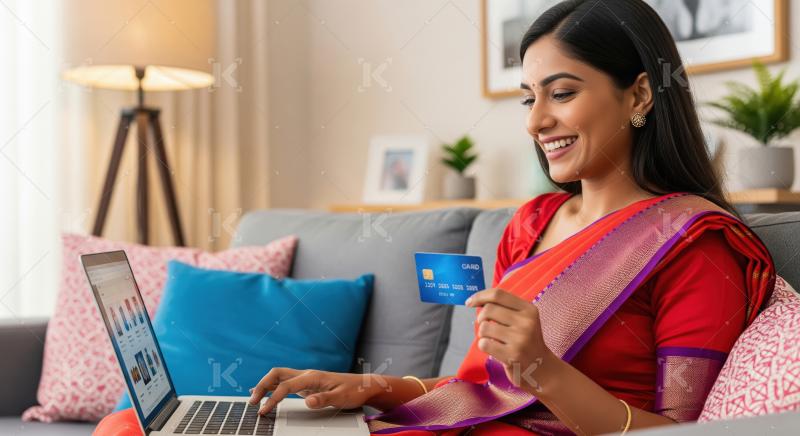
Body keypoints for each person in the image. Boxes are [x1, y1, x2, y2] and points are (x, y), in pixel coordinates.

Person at [95, 1, 775, 434]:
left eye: (561, 93)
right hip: (458, 426)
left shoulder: (696, 247)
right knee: (129, 425)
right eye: (527, 98)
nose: (537, 121)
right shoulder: (532, 221)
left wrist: (544, 370)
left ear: (640, 94)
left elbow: (679, 431)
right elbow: (479, 389)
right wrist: (369, 388)